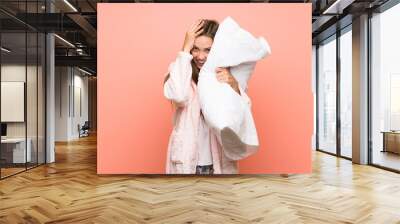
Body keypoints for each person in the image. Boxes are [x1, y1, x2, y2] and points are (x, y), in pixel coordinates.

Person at [163, 19, 252, 174]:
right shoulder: (179, 70)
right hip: (185, 161)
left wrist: (234, 86)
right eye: (195, 49)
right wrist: (184, 50)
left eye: (208, 50)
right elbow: (178, 95)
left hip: (220, 162)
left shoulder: (226, 75)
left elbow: (242, 116)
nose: (200, 56)